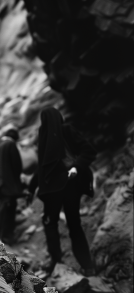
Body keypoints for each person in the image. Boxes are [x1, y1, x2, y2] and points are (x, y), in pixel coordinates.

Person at [28, 107, 96, 275]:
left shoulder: (61, 132)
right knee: (69, 224)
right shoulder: (48, 133)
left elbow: (88, 151)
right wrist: (31, 188)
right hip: (63, 187)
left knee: (55, 224)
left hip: (61, 187)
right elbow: (43, 166)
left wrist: (75, 167)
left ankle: (61, 264)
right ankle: (79, 265)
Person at [0, 128, 23, 244]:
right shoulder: (11, 145)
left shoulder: (0, 146)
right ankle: (5, 235)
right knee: (8, 209)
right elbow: (17, 165)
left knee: (3, 206)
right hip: (8, 183)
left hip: (0, 182)